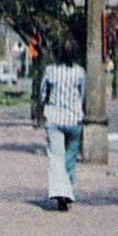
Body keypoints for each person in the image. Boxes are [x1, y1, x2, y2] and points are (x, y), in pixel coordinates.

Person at [40, 50, 85, 211]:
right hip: (74, 119)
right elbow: (83, 94)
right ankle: (68, 190)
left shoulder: (50, 71)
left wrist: (44, 106)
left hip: (54, 118)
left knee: (56, 157)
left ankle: (60, 192)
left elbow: (43, 92)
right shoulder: (79, 72)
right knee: (70, 157)